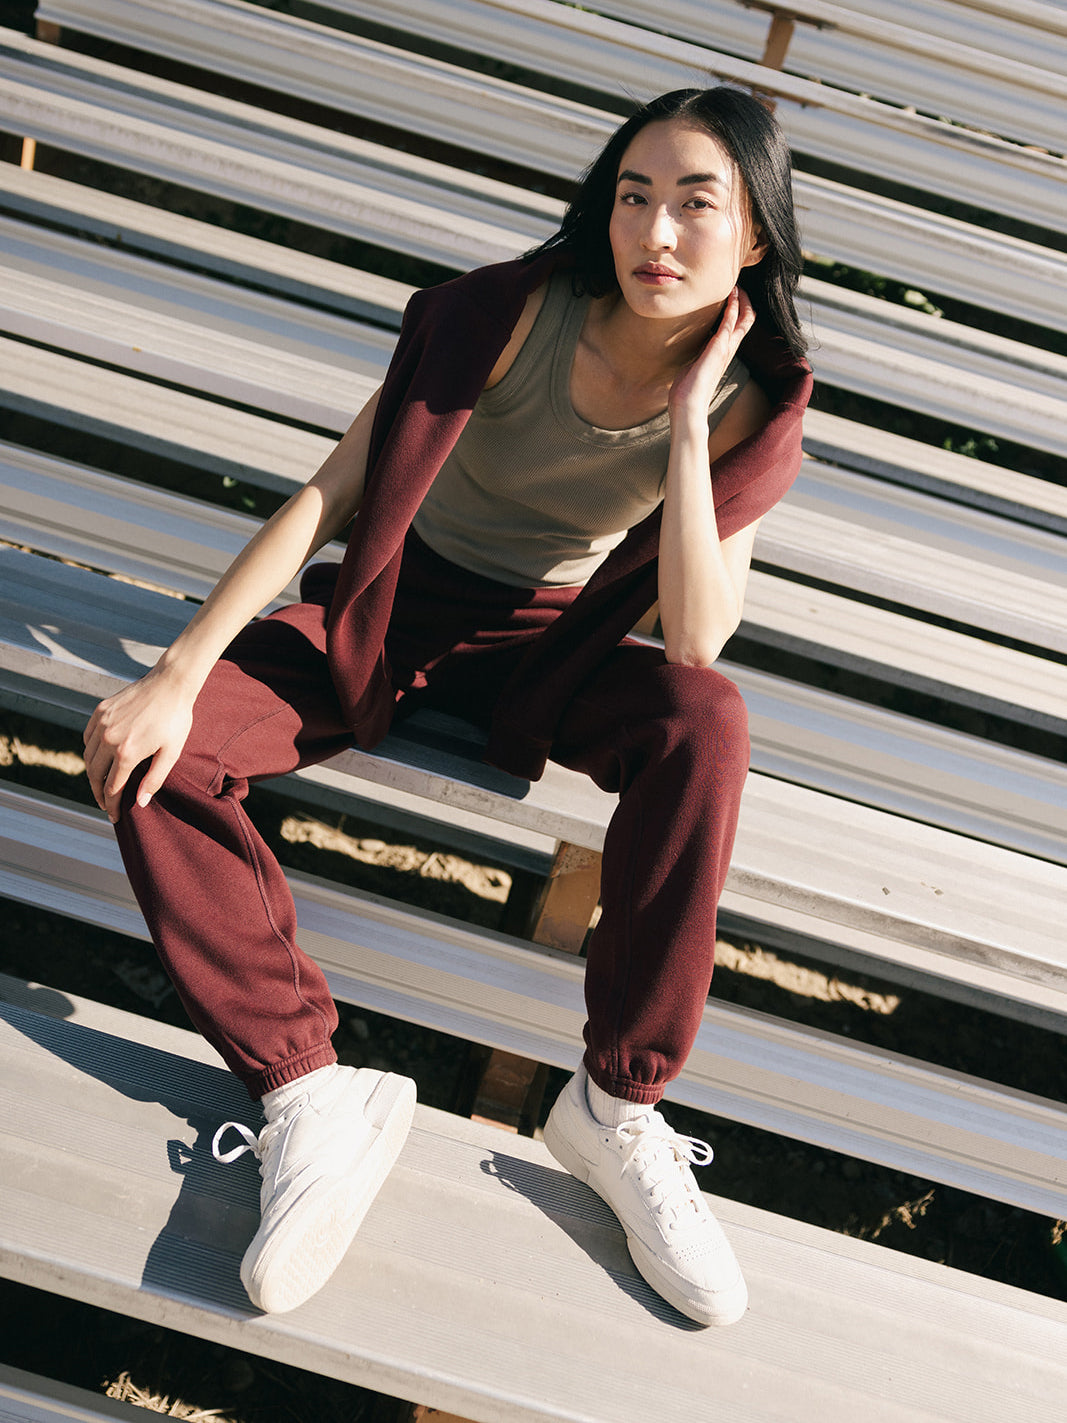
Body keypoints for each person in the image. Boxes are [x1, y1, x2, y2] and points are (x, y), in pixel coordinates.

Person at [83, 85, 811, 1328]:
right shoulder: (505, 312)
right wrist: (179, 667)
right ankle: (311, 1092)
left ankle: (614, 1108)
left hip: (552, 644)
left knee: (710, 720)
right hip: (388, 605)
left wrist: (689, 423)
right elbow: (330, 495)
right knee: (161, 754)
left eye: (697, 206)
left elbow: (692, 639)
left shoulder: (752, 397)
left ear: (752, 239)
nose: (657, 232)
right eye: (633, 196)